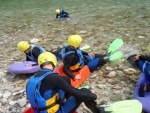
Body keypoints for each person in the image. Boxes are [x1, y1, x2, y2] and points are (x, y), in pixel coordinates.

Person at [26, 52, 103, 113]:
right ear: (53, 62)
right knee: (85, 92)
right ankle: (98, 111)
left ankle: (68, 100)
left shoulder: (33, 78)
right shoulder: (54, 78)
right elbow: (78, 94)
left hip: (40, 110)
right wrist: (94, 96)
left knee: (65, 79)